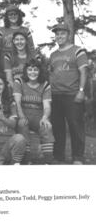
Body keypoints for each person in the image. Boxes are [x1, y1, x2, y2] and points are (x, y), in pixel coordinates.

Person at [49, 23, 88, 164]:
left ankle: (78, 157)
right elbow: (51, 74)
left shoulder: (78, 51)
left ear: (68, 34)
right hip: (55, 95)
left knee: (75, 126)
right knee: (57, 127)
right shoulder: (53, 55)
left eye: (62, 33)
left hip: (72, 94)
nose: (59, 36)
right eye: (57, 34)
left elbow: (84, 71)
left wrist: (81, 91)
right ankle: (58, 156)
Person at [13, 58, 54, 164]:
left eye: (35, 69)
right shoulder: (19, 81)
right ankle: (27, 160)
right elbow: (17, 102)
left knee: (47, 126)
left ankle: (48, 162)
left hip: (38, 117)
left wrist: (45, 117)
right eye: (30, 69)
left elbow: (47, 106)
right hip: (23, 115)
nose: (33, 72)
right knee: (22, 125)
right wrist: (22, 116)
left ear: (40, 71)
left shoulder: (45, 84)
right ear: (26, 71)